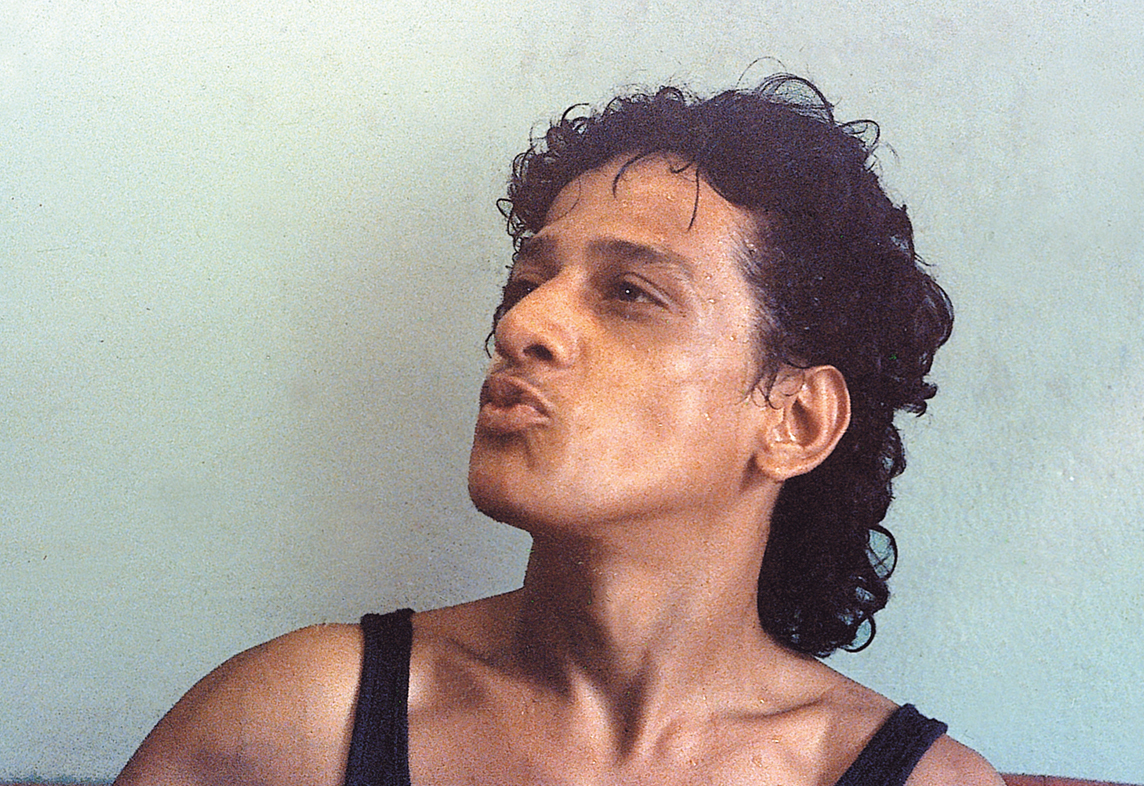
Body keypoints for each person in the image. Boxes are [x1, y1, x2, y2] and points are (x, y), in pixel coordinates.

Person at [115, 74, 1003, 786]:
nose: (521, 325)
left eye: (631, 293)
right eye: (525, 285)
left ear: (796, 420)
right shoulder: (294, 727)